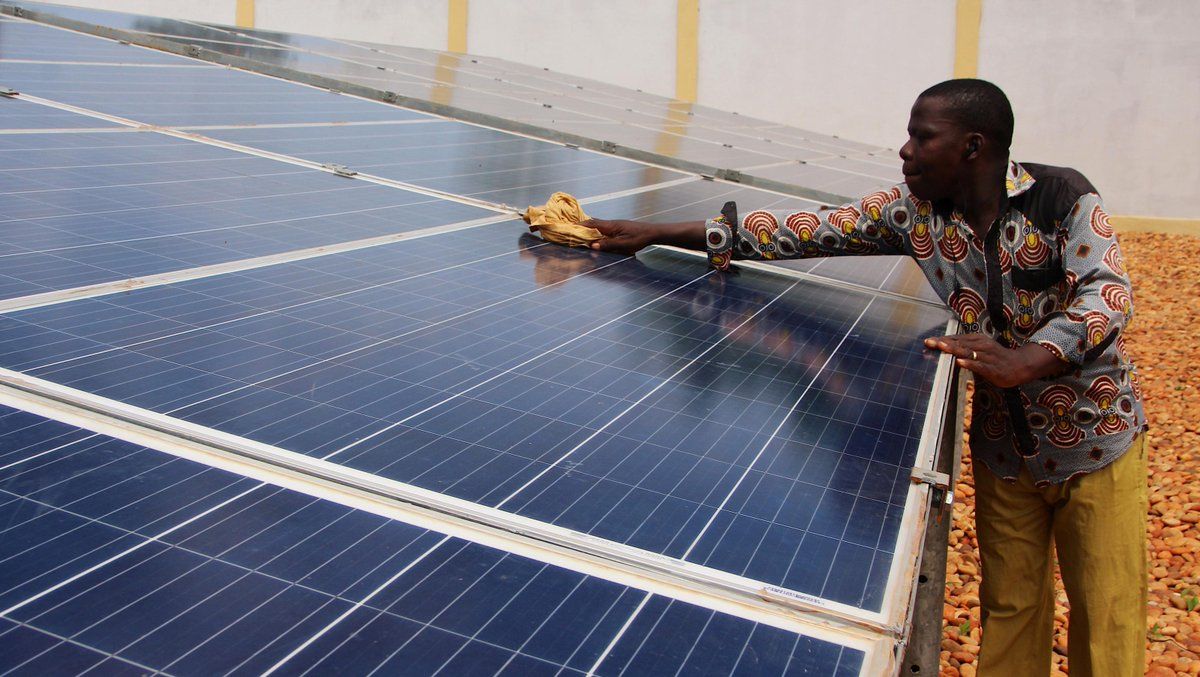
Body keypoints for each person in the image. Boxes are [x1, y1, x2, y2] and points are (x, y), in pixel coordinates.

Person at [585, 79, 1147, 677]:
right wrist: (660, 233)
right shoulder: (916, 213)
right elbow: (804, 229)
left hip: (1095, 440)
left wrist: (1028, 358)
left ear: (973, 147)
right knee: (1010, 608)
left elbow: (1107, 293)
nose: (906, 150)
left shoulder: (1062, 198)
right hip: (1003, 449)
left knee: (1106, 616)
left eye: (923, 137)